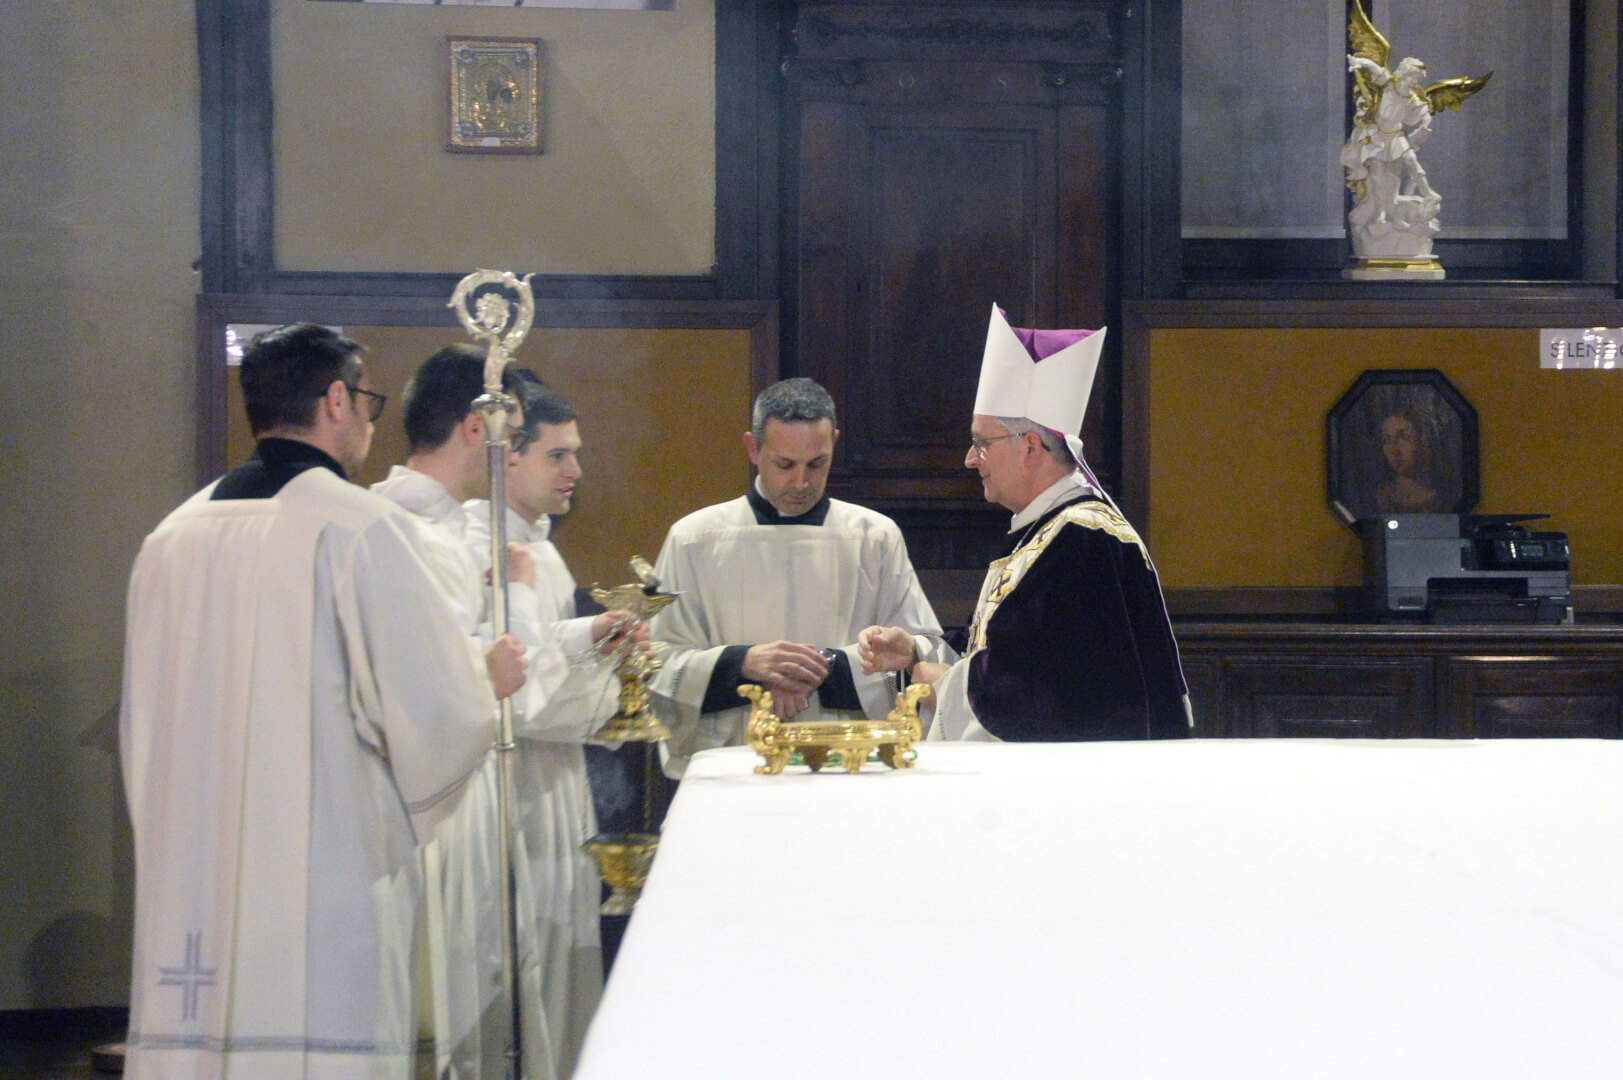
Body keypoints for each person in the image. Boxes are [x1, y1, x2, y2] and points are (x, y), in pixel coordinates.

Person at [120, 323, 527, 1080]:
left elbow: (141, 724)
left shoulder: (171, 535)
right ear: (337, 399)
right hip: (318, 874)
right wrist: (485, 683)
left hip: (193, 861)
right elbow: (431, 712)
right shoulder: (358, 526)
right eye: (367, 399)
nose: (370, 419)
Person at [371, 344, 569, 1080]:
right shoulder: (396, 528)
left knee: (476, 996)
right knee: (437, 1008)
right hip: (428, 804)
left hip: (468, 789)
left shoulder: (455, 527)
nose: (509, 451)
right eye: (507, 433)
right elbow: (424, 680)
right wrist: (493, 653)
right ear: (473, 428)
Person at [858, 305, 1191, 742]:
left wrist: (945, 683)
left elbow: (1056, 695)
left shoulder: (1085, 542)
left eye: (981, 442)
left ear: (1030, 447)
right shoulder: (1046, 531)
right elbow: (1005, 646)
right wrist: (915, 651)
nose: (970, 459)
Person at [464, 370, 644, 1080]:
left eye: (576, 454)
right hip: (511, 787)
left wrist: (592, 636)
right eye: (557, 455)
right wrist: (606, 674)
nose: (575, 471)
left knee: (559, 969)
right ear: (506, 457)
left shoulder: (537, 544)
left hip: (555, 786)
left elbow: (538, 649)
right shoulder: (477, 543)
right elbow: (514, 690)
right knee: (521, 966)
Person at [647, 377, 952, 776]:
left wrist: (826, 669)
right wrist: (743, 664)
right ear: (753, 448)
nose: (801, 483)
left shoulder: (874, 537)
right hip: (737, 764)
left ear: (835, 443)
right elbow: (656, 663)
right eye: (785, 465)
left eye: (816, 463)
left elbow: (923, 654)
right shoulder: (694, 539)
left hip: (849, 764)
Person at [1375, 411, 1439, 513]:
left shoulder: (1438, 497)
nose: (1394, 450)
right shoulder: (1382, 495)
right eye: (1387, 440)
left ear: (1422, 441)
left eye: (1404, 438)